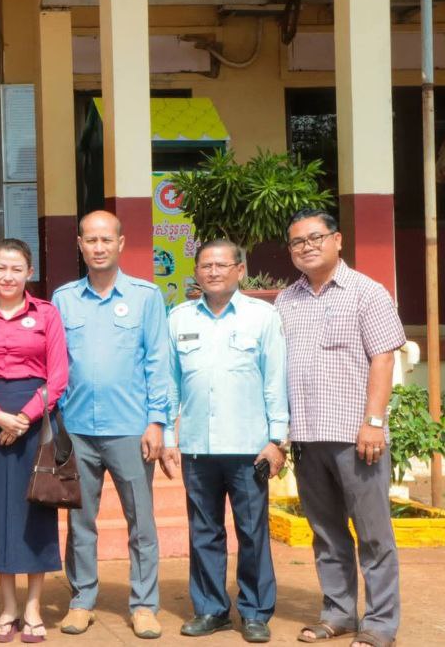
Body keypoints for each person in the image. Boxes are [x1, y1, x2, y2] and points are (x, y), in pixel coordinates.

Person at [276, 209, 406, 647]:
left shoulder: (367, 292)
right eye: (298, 241)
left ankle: (380, 624)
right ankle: (339, 613)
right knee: (327, 533)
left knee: (373, 535)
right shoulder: (286, 300)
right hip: (307, 438)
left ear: (338, 240)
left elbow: (384, 358)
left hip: (357, 439)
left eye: (316, 237)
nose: (307, 247)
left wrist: (374, 422)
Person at [51, 210, 170, 640]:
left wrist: (157, 421)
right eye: (91, 240)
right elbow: (55, 361)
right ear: (80, 245)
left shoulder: (146, 296)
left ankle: (144, 605)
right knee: (80, 523)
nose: (98, 247)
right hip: (77, 429)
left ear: (121, 243)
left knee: (142, 523)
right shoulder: (63, 299)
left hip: (130, 428)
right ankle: (82, 600)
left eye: (106, 240)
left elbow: (158, 361)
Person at [161, 239, 287, 644]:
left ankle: (255, 612)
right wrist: (167, 436)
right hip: (198, 447)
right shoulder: (179, 318)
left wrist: (277, 439)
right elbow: (170, 383)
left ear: (240, 270)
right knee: (204, 531)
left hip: (249, 447)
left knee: (252, 532)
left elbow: (275, 380)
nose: (213, 272)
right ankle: (210, 609)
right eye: (206, 266)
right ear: (196, 272)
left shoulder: (263, 317)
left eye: (221, 265)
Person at [0, 238, 69, 645]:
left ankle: (34, 607)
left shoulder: (47, 314)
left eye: (16, 269)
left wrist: (25, 416)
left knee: (36, 507)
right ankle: (8, 607)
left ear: (29, 273)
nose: (8, 276)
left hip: (36, 418)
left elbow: (58, 375)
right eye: (1, 268)